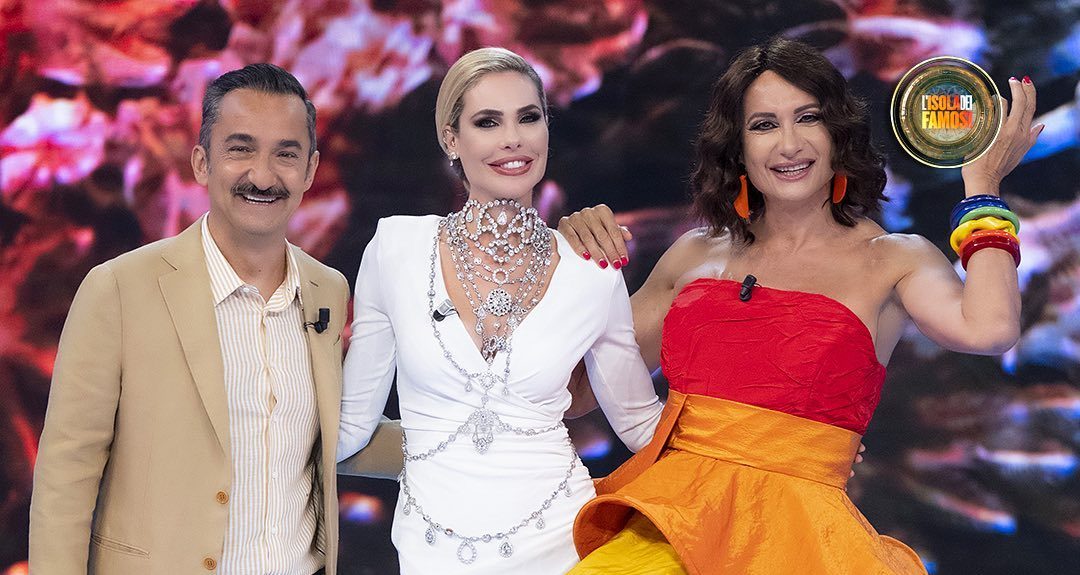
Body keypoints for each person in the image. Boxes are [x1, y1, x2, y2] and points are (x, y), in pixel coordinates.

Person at [557, 37, 1040, 574]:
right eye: (764, 125)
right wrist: (569, 266)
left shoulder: (893, 259)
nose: (789, 144)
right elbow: (575, 395)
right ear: (737, 147)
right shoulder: (694, 254)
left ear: (838, 132)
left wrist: (982, 189)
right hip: (667, 525)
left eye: (808, 118)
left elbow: (990, 328)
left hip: (797, 542)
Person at [29, 63, 398, 575]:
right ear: (202, 162)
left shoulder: (328, 290)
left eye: (285, 154)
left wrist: (495, 437)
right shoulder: (118, 289)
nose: (262, 176)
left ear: (310, 171)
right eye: (240, 149)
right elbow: (65, 477)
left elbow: (334, 433)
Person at [335, 47, 664, 574]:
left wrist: (768, 446)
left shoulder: (592, 269)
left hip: (563, 544)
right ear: (451, 139)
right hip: (431, 551)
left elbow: (641, 425)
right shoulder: (395, 248)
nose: (513, 138)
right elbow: (352, 424)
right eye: (488, 122)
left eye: (528, 118)